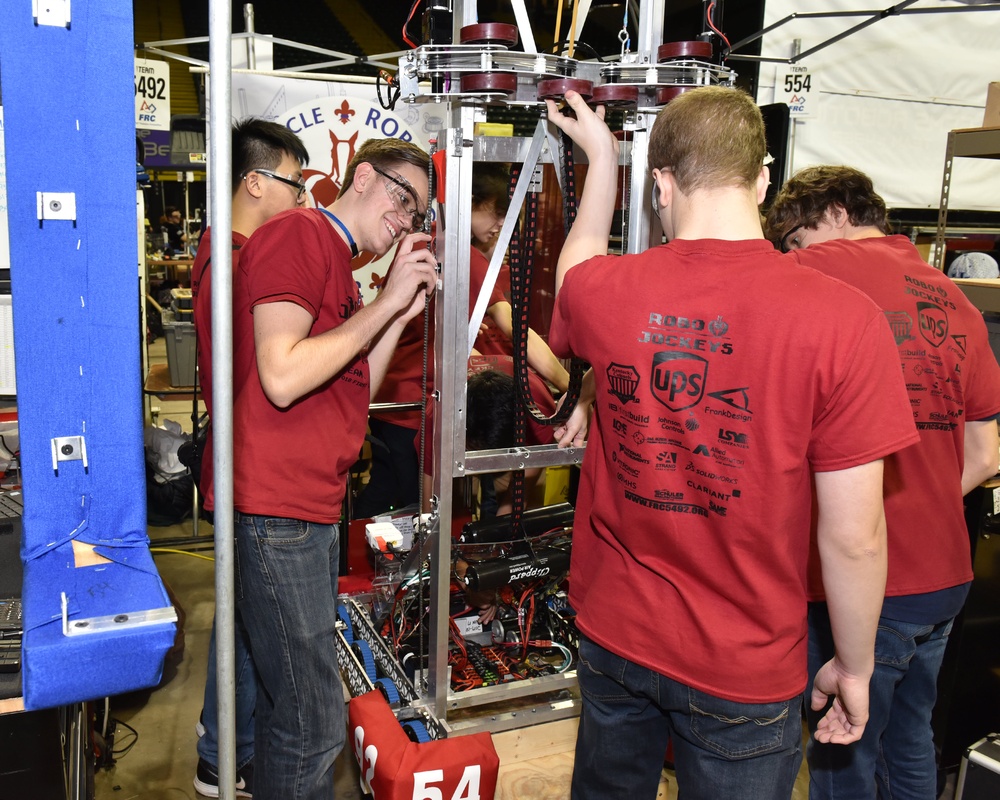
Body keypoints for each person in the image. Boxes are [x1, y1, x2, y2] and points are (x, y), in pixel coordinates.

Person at [544, 86, 920, 800]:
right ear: (763, 179)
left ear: (662, 184)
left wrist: (603, 161)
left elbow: (576, 268)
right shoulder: (845, 320)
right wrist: (855, 665)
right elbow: (855, 538)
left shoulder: (609, 292)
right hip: (743, 663)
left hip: (616, 637)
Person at [764, 165, 1000, 800]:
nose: (792, 252)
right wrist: (913, 505)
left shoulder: (813, 275)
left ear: (837, 213)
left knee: (843, 752)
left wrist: (863, 521)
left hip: (869, 582)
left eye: (794, 236)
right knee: (909, 741)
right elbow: (984, 455)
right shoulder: (957, 302)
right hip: (945, 574)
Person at [231, 136, 437, 800]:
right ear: (365, 177)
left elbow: (354, 383)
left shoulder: (340, 264)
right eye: (403, 199)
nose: (405, 221)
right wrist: (384, 303)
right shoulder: (300, 233)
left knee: (287, 706)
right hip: (279, 508)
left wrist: (398, 311)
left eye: (417, 214)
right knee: (316, 720)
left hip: (310, 507)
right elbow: (283, 374)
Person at [190, 117, 310, 798]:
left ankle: (221, 750)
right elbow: (272, 372)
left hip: (238, 463)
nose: (300, 199)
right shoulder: (240, 263)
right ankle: (226, 751)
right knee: (251, 629)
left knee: (239, 620)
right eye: (294, 183)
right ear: (256, 180)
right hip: (248, 469)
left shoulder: (225, 251)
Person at [354, 163, 569, 519]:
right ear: (469, 201)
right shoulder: (453, 250)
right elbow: (515, 325)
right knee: (419, 510)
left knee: (397, 498)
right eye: (497, 211)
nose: (502, 223)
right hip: (414, 405)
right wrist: (570, 388)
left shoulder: (428, 243)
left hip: (400, 399)